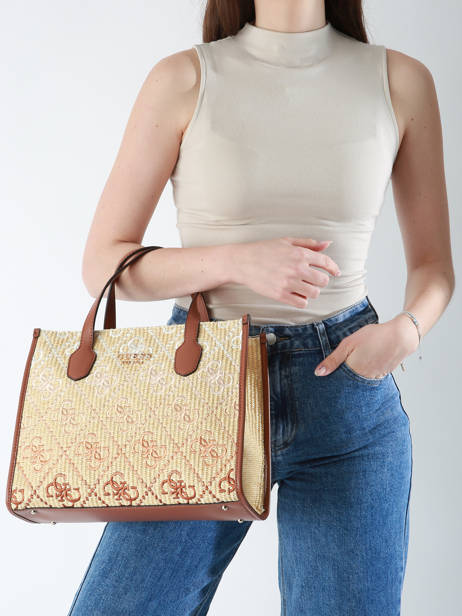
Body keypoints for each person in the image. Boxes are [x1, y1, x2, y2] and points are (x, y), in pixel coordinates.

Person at [67, 1, 455, 614]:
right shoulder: (183, 78)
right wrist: (237, 261)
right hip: (202, 387)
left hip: (346, 390)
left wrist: (405, 332)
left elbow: (434, 267)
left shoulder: (400, 81)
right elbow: (104, 265)